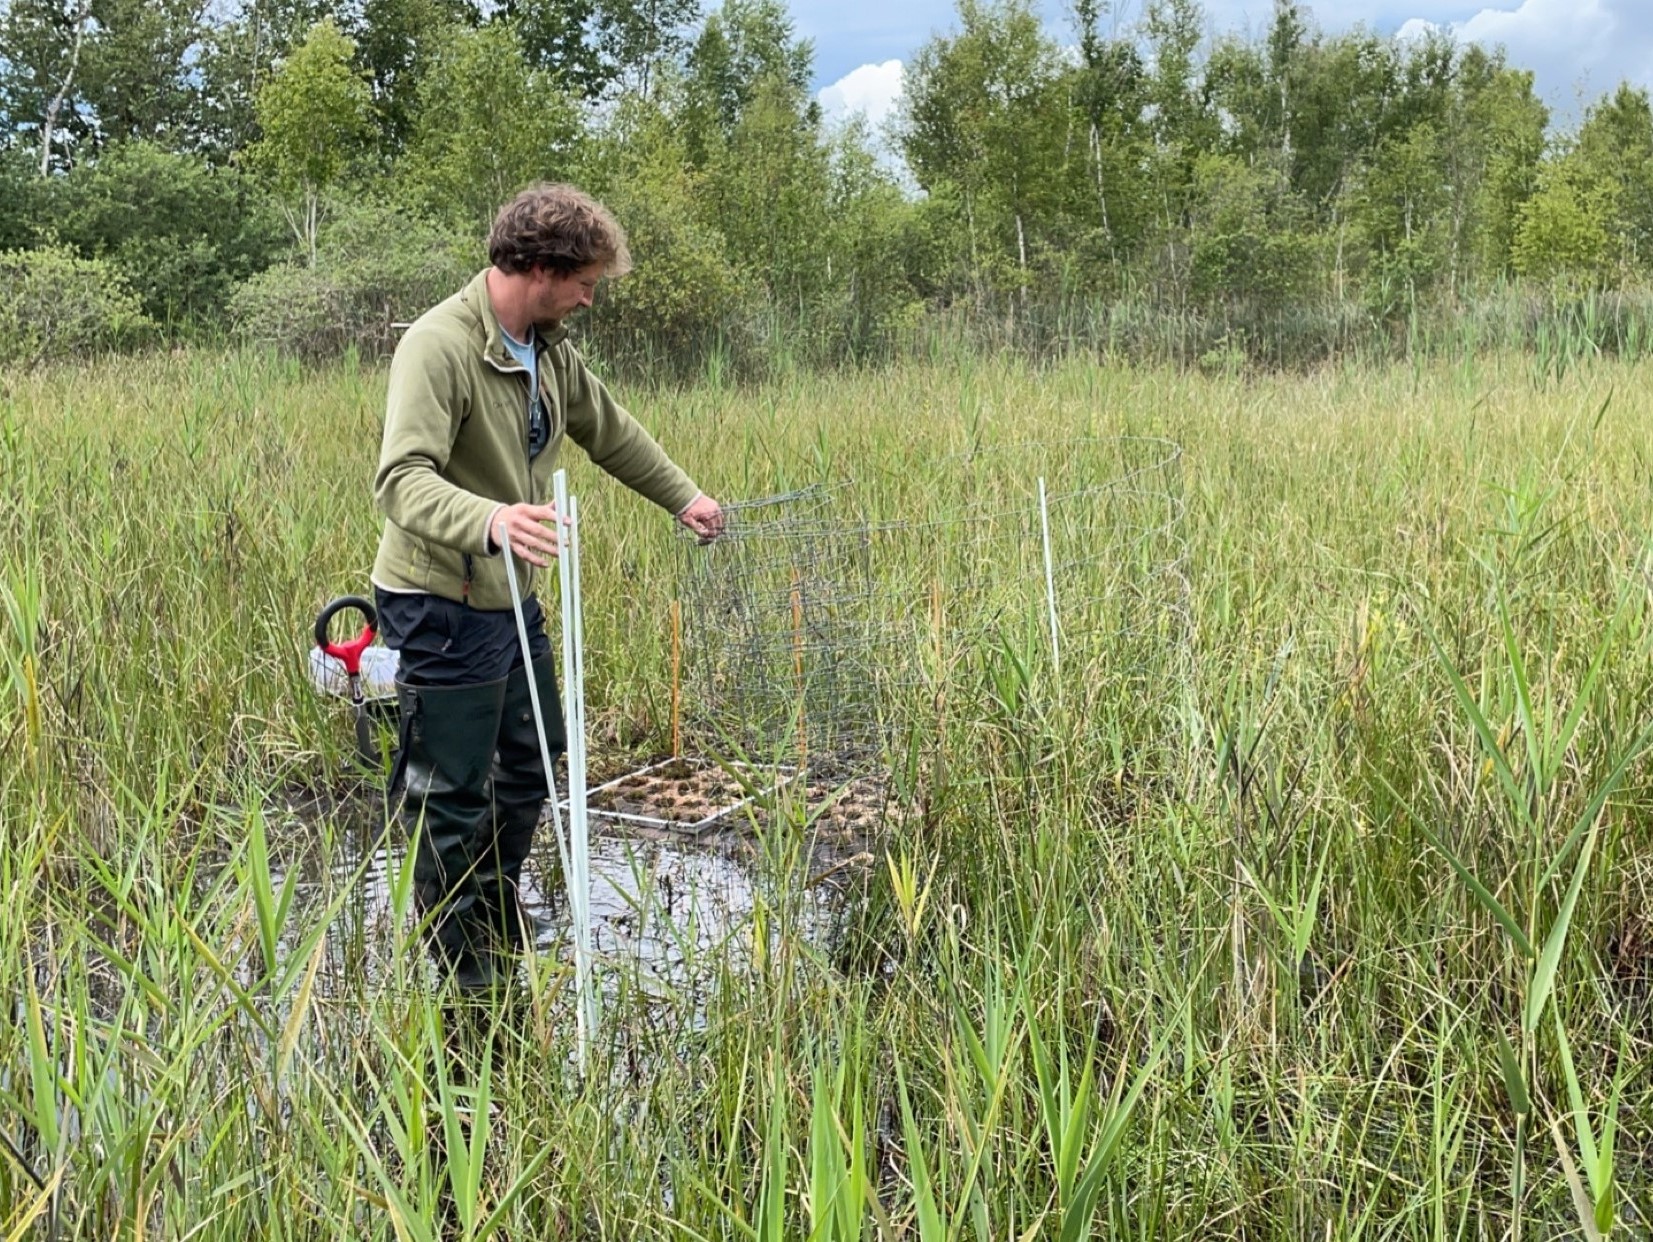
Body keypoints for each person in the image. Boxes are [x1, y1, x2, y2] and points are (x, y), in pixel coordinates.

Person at [372, 183, 723, 992]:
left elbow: (608, 430)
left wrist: (685, 497)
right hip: (440, 599)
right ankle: (465, 968)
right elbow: (400, 480)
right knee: (453, 795)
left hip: (507, 596)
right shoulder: (439, 345)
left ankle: (488, 909)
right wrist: (492, 521)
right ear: (537, 266)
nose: (591, 298)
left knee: (532, 763)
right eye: (585, 282)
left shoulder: (549, 345)